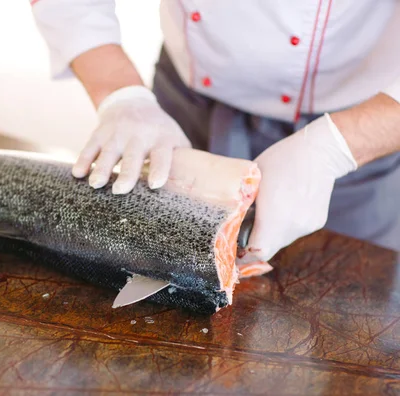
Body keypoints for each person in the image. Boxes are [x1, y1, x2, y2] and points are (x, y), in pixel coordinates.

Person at [30, 1, 400, 264]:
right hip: (184, 107)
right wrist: (121, 95)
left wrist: (333, 149)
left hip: (358, 124)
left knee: (343, 292)